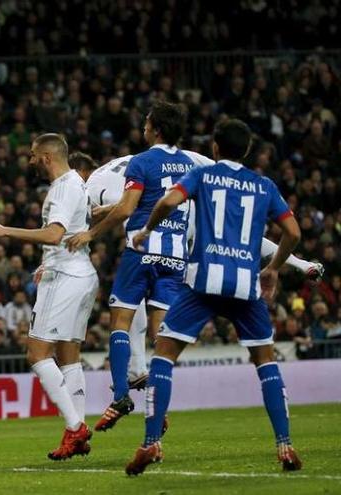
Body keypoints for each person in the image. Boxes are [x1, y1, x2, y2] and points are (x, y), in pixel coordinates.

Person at [125, 119, 303, 474]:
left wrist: (147, 229)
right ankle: (285, 446)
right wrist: (273, 269)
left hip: (203, 283)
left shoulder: (201, 175)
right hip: (244, 285)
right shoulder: (264, 185)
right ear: (248, 151)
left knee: (163, 355)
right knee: (265, 362)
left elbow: (168, 202)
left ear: (216, 148)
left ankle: (150, 443)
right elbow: (293, 233)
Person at [83, 150, 325, 389]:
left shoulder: (92, 186)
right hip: (178, 217)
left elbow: (127, 209)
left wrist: (101, 221)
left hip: (151, 229)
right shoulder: (182, 158)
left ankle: (137, 369)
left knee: (128, 302)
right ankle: (302, 263)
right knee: (232, 234)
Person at [66, 101, 196, 431]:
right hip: (175, 257)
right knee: (161, 338)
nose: (144, 128)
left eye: (147, 123)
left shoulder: (142, 161)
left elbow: (126, 209)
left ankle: (121, 395)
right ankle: (156, 407)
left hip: (142, 251)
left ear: (157, 129)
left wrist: (91, 232)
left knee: (120, 322)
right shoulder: (189, 165)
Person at [0, 134, 94, 460]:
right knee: (69, 354)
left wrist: (4, 230)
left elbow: (55, 234)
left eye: (32, 155)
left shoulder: (64, 187)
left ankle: (75, 427)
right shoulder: (75, 183)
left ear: (45, 157)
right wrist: (45, 262)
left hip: (65, 276)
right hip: (80, 274)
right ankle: (78, 431)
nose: (29, 160)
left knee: (36, 353)